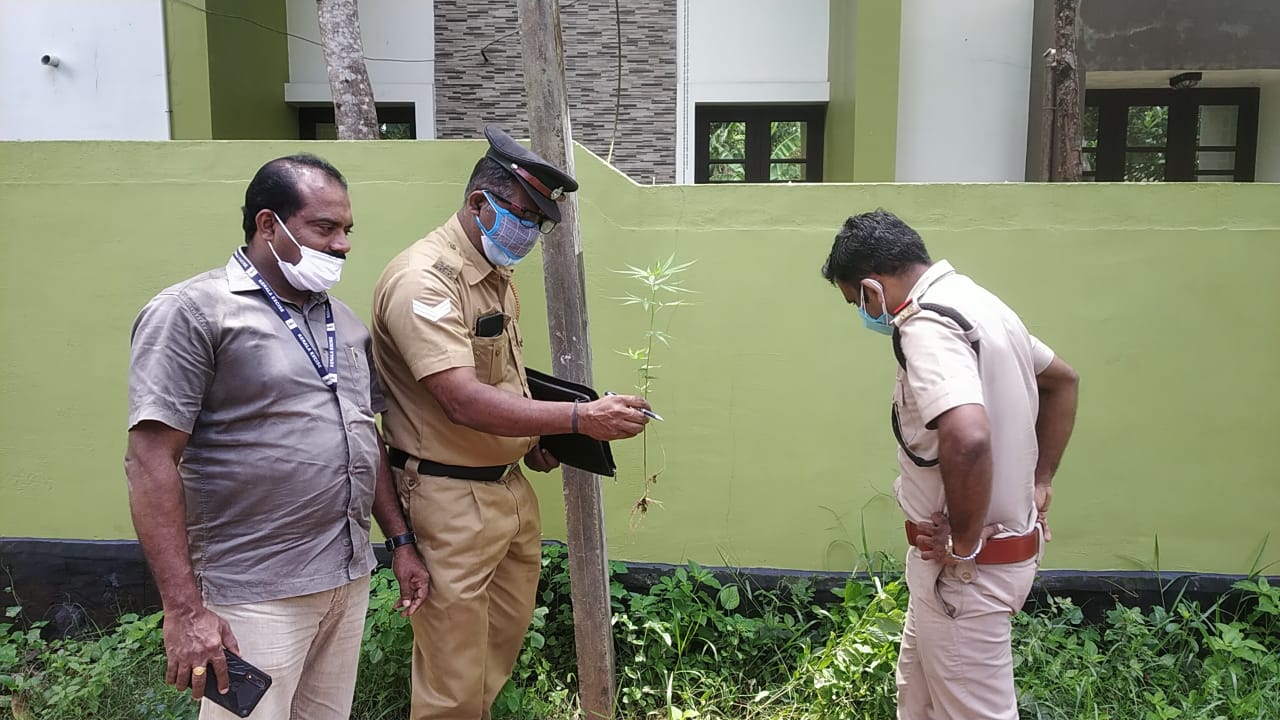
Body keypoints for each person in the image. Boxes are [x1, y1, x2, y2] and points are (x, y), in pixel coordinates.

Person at [125, 154, 429, 719]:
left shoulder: (343, 320)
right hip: (255, 593)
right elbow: (149, 460)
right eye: (324, 227)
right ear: (269, 224)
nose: (343, 244)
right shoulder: (192, 312)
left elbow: (367, 437)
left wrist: (400, 540)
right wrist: (185, 611)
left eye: (346, 230)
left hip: (346, 578)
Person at [370, 125, 651, 719]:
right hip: (448, 500)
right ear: (479, 203)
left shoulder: (494, 277)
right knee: (451, 683)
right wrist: (580, 417)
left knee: (490, 665)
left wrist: (537, 438)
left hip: (508, 490)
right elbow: (461, 400)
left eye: (538, 222)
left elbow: (503, 379)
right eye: (522, 215)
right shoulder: (425, 280)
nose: (529, 232)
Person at [820, 209, 1079, 720]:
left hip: (965, 575)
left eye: (857, 301)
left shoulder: (927, 325)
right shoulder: (980, 304)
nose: (865, 313)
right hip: (962, 569)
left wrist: (963, 546)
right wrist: (1040, 480)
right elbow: (1063, 381)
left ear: (873, 288)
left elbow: (968, 436)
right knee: (917, 700)